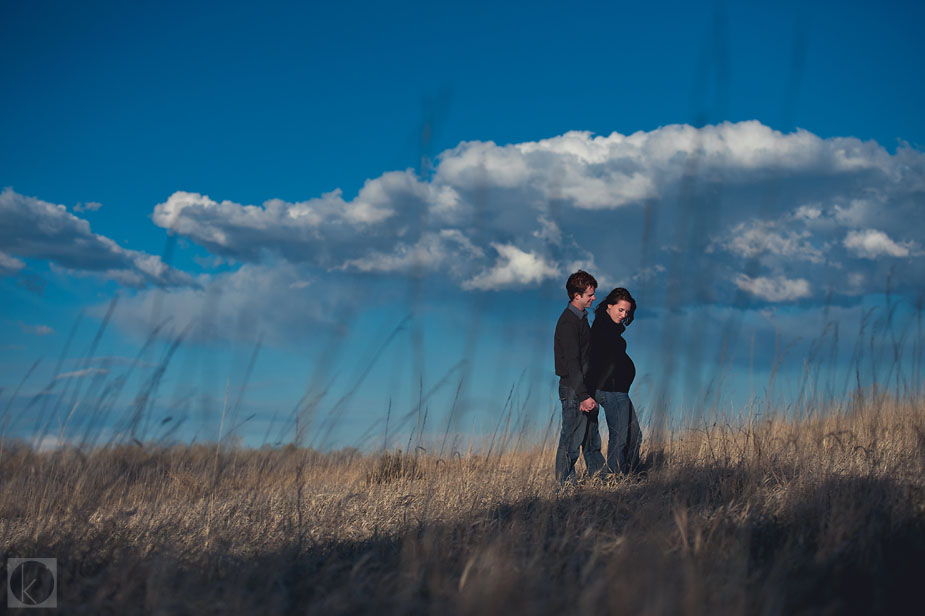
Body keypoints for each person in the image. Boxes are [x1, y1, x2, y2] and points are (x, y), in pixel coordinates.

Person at [553, 270, 606, 483]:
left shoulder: (581, 319)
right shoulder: (568, 323)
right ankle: (565, 487)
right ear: (576, 295)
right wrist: (583, 395)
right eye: (589, 295)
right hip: (574, 389)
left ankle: (601, 480)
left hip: (584, 389)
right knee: (571, 441)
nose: (593, 298)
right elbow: (572, 363)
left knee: (592, 439)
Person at [589, 287, 642, 476]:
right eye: (620, 310)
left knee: (634, 434)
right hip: (611, 390)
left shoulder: (610, 328)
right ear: (609, 306)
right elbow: (596, 361)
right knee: (620, 437)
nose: (624, 315)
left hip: (619, 391)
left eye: (627, 312)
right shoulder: (602, 329)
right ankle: (613, 478)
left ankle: (631, 475)